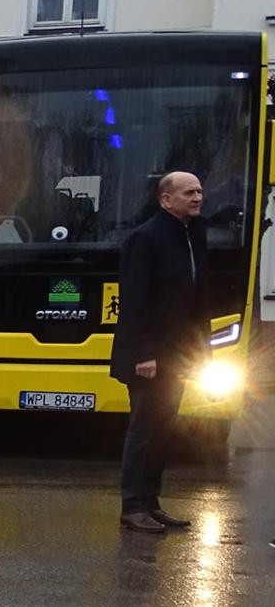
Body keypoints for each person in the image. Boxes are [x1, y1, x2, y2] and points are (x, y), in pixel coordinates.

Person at [111, 171, 210, 534]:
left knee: (165, 431)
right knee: (144, 431)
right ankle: (133, 506)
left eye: (199, 191)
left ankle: (151, 503)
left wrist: (203, 350)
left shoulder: (194, 235)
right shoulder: (145, 238)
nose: (197, 198)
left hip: (179, 356)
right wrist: (143, 353)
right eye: (188, 193)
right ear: (166, 199)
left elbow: (199, 298)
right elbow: (135, 301)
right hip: (148, 358)